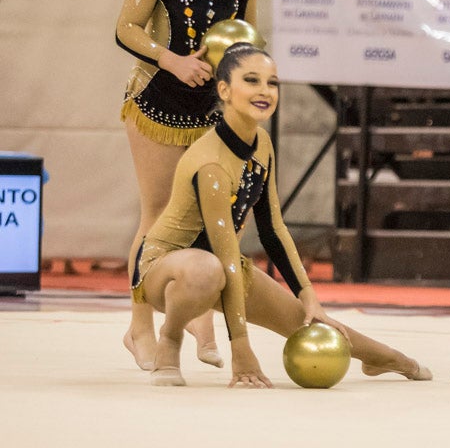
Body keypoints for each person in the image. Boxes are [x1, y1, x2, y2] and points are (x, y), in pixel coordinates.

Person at [131, 44, 431, 387]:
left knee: (316, 327)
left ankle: (387, 359)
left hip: (226, 268)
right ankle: (169, 340)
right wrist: (241, 348)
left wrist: (309, 297)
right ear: (225, 90)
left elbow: (273, 229)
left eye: (272, 83)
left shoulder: (260, 142)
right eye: (252, 80)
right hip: (166, 268)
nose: (264, 91)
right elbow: (224, 249)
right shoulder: (211, 163)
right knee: (206, 269)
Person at [115, 0, 258, 371]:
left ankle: (201, 324)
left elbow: (246, 46)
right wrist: (171, 60)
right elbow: (127, 28)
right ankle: (138, 328)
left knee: (214, 219)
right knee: (156, 216)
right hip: (157, 102)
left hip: (211, 112)